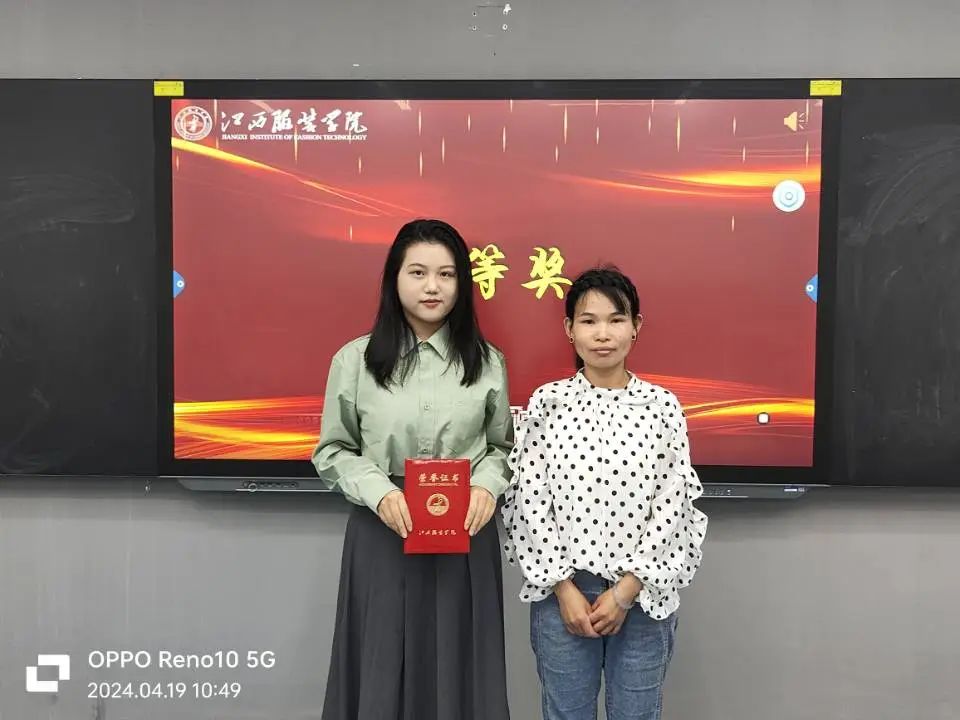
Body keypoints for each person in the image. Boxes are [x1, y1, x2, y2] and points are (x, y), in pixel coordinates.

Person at [312, 219, 513, 720]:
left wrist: (487, 487)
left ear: (462, 284)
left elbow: (501, 447)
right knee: (381, 664)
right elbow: (333, 450)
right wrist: (379, 491)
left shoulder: (487, 362)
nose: (432, 286)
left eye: (446, 274)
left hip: (465, 530)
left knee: (462, 669)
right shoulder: (355, 360)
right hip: (384, 527)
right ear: (394, 279)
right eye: (418, 272)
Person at [502, 267, 707, 720]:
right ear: (569, 329)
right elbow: (530, 500)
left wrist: (626, 591)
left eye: (616, 320)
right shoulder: (548, 403)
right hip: (564, 595)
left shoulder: (662, 406)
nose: (602, 334)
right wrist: (563, 588)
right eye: (588, 320)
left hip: (643, 597)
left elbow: (672, 504)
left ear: (636, 326)